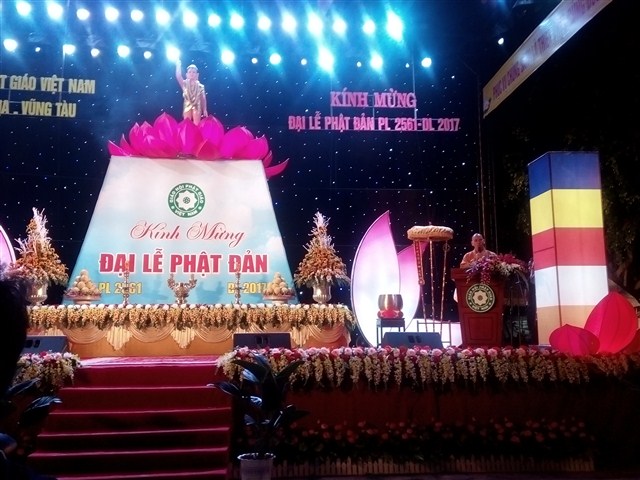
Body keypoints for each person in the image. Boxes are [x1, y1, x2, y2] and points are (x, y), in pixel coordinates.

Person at [175, 60, 208, 125]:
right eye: (189, 72)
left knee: (196, 124)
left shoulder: (200, 86)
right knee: (187, 123)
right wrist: (178, 66)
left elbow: (203, 99)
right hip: (187, 105)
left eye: (193, 72)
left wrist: (204, 109)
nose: (191, 74)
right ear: (186, 74)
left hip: (197, 106)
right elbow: (178, 76)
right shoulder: (184, 84)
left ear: (197, 74)